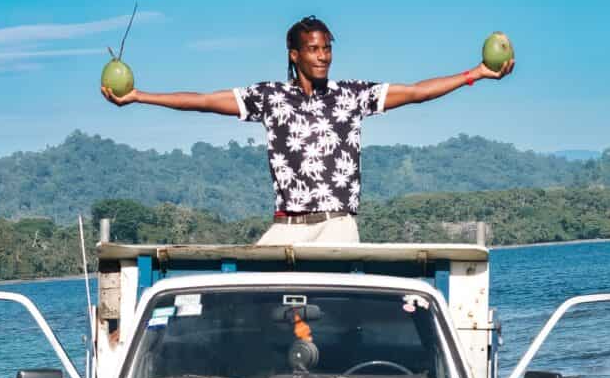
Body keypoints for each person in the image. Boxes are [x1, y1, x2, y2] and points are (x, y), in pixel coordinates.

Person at [101, 15, 514, 244]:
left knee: (328, 314)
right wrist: (139, 96)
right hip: (287, 225)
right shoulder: (270, 97)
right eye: (314, 49)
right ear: (295, 54)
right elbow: (206, 101)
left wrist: (474, 72)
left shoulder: (351, 95)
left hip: (337, 225)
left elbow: (416, 92)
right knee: (245, 292)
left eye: (327, 48)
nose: (323, 57)